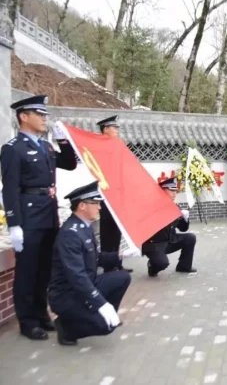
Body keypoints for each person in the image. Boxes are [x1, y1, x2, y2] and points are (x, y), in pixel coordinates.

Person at [0, 95, 77, 340]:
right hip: (28, 217)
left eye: (45, 115)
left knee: (45, 269)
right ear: (24, 116)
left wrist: (63, 140)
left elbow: (69, 163)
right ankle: (28, 321)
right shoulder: (13, 149)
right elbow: (9, 188)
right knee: (27, 271)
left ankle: (42, 313)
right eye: (39, 114)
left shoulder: (45, 146)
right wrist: (14, 224)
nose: (44, 118)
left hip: (48, 214)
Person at [48, 181, 130, 346]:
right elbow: (76, 276)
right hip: (67, 295)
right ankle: (66, 329)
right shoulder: (70, 234)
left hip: (86, 284)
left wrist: (120, 255)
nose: (99, 207)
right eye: (96, 203)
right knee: (106, 327)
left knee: (123, 277)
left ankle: (103, 314)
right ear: (82, 205)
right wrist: (100, 304)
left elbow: (94, 258)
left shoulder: (84, 226)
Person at [96, 115, 133, 273]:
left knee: (117, 228)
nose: (117, 130)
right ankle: (107, 265)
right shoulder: (98, 146)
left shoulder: (118, 145)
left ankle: (117, 263)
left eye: (117, 127)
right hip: (106, 193)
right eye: (114, 127)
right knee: (107, 230)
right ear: (105, 129)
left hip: (118, 192)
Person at [142, 176, 197, 276]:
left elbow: (183, 229)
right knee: (162, 263)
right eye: (171, 190)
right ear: (162, 191)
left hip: (170, 241)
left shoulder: (174, 207)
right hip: (155, 244)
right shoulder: (152, 207)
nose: (174, 193)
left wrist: (185, 218)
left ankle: (184, 266)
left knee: (190, 237)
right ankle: (152, 266)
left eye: (176, 191)